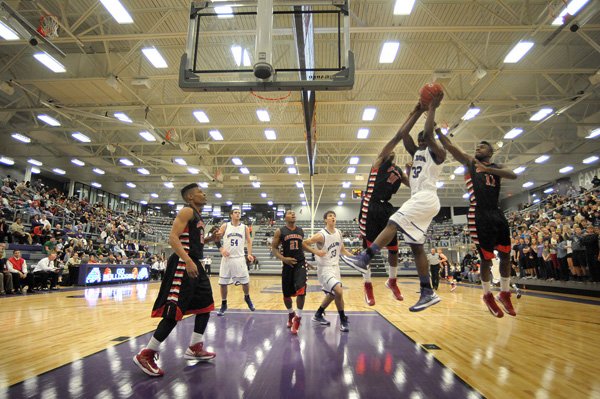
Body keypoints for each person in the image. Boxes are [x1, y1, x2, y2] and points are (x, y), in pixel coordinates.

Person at [342, 93, 446, 312]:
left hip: (421, 198)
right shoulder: (384, 160)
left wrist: (429, 109)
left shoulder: (432, 154)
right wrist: (416, 110)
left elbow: (425, 136)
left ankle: (371, 264)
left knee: (393, 228)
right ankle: (427, 291)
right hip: (372, 205)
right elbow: (402, 135)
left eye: (422, 141)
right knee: (416, 247)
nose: (419, 143)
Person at [134, 184, 218, 377]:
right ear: (190, 197)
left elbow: (196, 242)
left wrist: (212, 239)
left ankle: (195, 347)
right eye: (199, 191)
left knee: (206, 305)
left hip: (194, 261)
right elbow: (173, 238)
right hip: (183, 263)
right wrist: (187, 260)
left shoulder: (197, 216)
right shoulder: (187, 211)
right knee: (174, 310)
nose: (203, 194)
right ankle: (147, 353)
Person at [435, 127, 518, 317]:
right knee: (486, 258)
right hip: (478, 212)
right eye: (477, 147)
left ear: (491, 152)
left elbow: (514, 175)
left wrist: (488, 169)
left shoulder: (496, 168)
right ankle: (487, 294)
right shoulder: (470, 163)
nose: (478, 149)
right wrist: (438, 131)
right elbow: (450, 146)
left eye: (482, 147)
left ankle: (505, 293)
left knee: (506, 254)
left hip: (496, 212)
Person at [355, 101, 414, 306]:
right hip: (369, 206)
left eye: (392, 153)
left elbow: (413, 186)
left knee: (394, 248)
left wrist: (408, 171)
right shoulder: (378, 164)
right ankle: (368, 284)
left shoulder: (397, 171)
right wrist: (410, 117)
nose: (390, 153)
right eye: (388, 152)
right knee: (367, 249)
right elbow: (395, 139)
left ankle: (392, 280)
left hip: (386, 208)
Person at [303, 210, 352, 332]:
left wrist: (357, 258)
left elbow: (343, 251)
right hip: (325, 269)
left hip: (336, 268)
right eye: (330, 216)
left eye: (334, 216)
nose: (333, 217)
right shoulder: (321, 235)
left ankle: (318, 314)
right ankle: (343, 320)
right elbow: (304, 243)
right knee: (338, 291)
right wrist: (316, 252)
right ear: (325, 220)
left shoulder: (339, 233)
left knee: (332, 294)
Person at [271, 210, 313, 334]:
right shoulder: (280, 231)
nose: (293, 214)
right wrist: (283, 259)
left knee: (301, 290)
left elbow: (300, 247)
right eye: (289, 213)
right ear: (285, 217)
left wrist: (307, 261)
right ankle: (291, 314)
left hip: (300, 263)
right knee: (286, 295)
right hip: (287, 264)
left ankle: (298, 318)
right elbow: (274, 248)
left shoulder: (300, 231)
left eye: (294, 213)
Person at [215, 208, 256, 315]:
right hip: (227, 259)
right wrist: (221, 249)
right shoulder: (225, 226)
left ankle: (247, 297)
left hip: (239, 258)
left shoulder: (244, 227)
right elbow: (216, 238)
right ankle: (224, 304)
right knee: (223, 283)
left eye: (239, 213)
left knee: (245, 282)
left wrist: (250, 254)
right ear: (231, 215)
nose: (238, 214)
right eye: (236, 213)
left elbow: (249, 241)